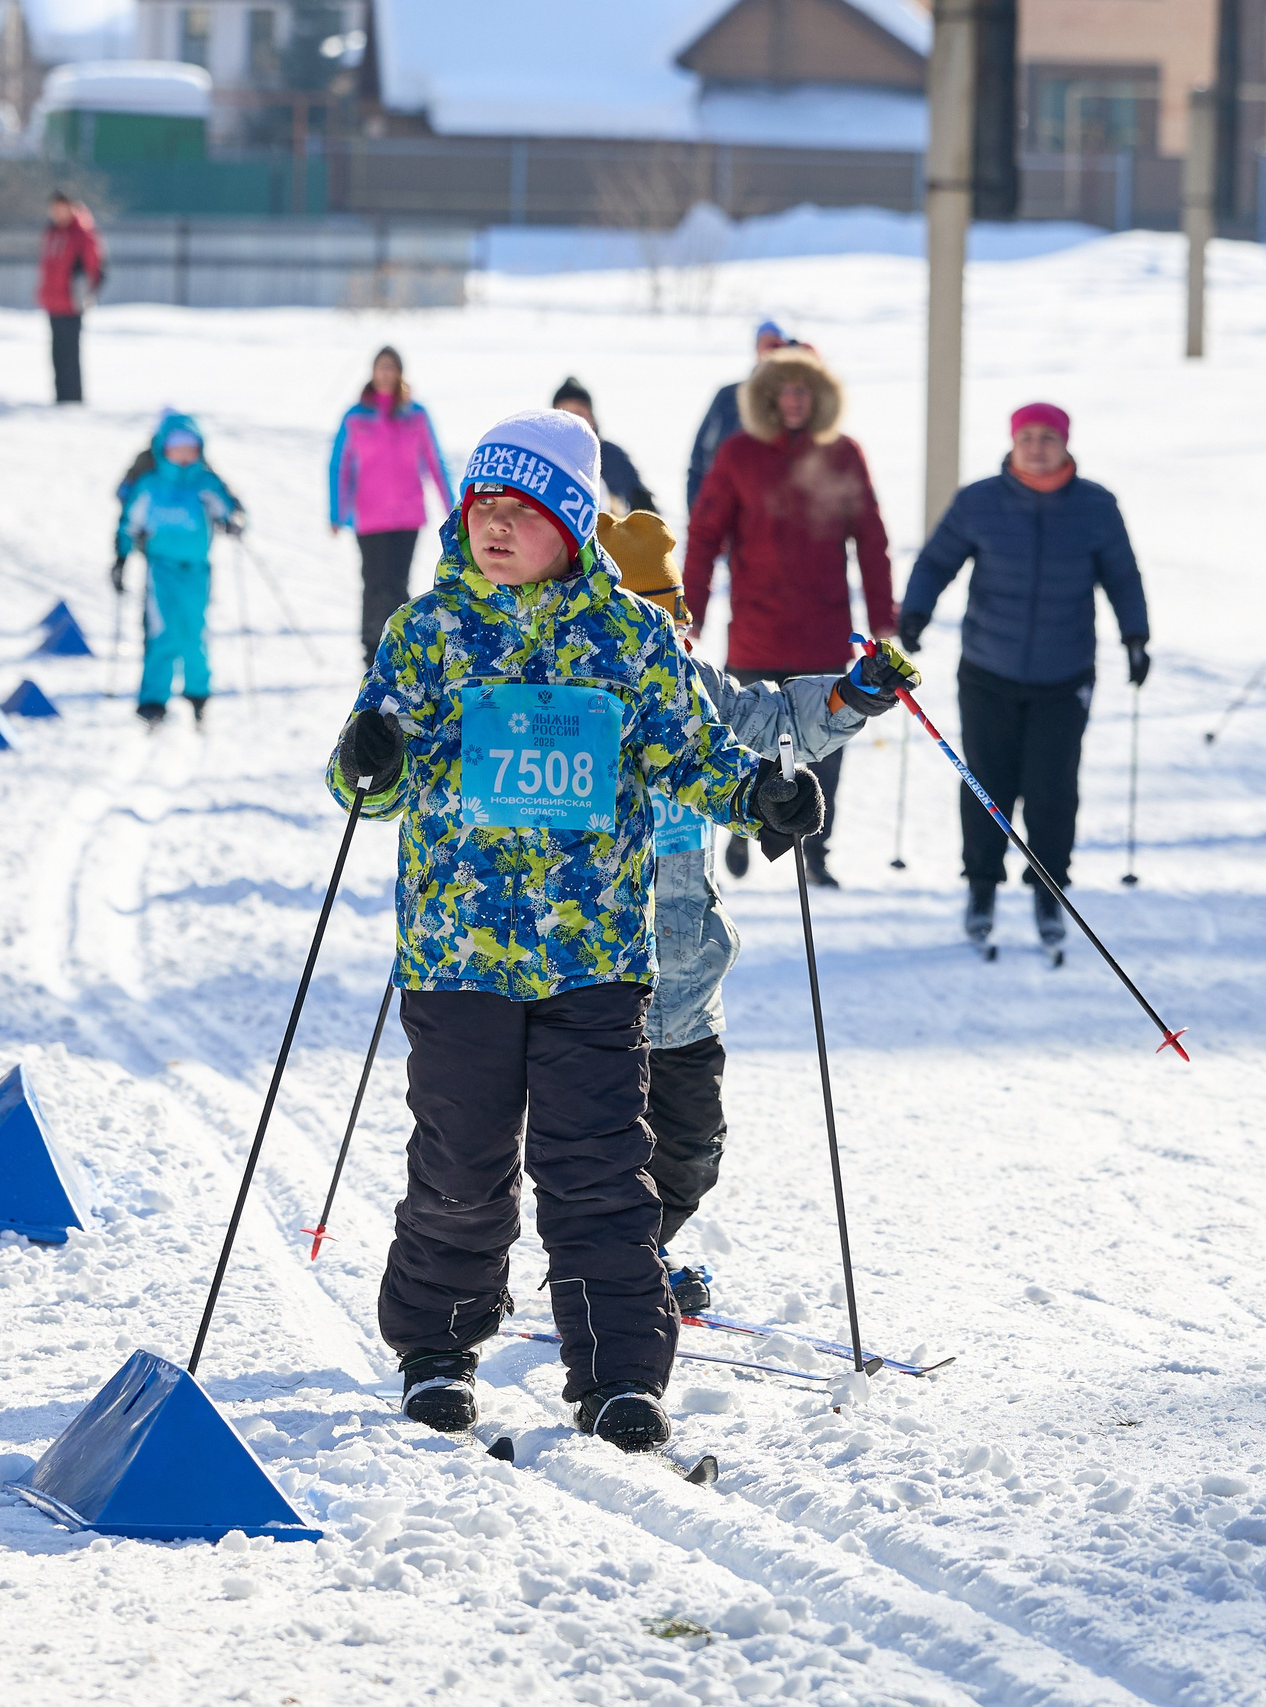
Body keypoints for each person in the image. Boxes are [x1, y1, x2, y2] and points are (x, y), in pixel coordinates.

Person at [326, 409, 823, 1454]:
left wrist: (761, 799)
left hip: (593, 953)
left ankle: (619, 1376)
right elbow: (369, 781)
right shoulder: (426, 632)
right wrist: (366, 755)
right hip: (457, 953)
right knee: (460, 1166)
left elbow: (689, 760)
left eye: (519, 509)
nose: (494, 527)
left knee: (598, 1166)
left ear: (569, 519)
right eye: (480, 508)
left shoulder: (632, 638)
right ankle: (437, 1350)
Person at [598, 510, 916, 1312]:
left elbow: (776, 725)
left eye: (675, 616)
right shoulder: (576, 704)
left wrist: (850, 695)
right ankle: (614, 1271)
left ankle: (642, 1246)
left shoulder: (700, 694)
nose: (668, 633)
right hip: (589, 975)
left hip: (685, 982)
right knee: (597, 1150)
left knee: (691, 1153)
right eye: (645, 616)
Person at [901, 402, 1149, 959]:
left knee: (1052, 790)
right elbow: (938, 560)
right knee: (986, 783)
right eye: (1027, 437)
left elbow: (1122, 574)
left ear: (1065, 443)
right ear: (1013, 442)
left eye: (1047, 437)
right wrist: (915, 612)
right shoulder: (980, 500)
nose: (1037, 446)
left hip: (1065, 675)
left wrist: (1136, 635)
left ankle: (1048, 891)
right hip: (989, 667)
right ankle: (982, 888)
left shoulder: (1095, 505)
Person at [683, 342, 895, 889]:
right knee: (745, 732)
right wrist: (691, 612)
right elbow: (705, 535)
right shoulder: (738, 455)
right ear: (767, 398)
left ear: (819, 397)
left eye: (805, 390)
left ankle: (817, 849)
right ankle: (741, 826)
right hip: (757, 630)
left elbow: (871, 538)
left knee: (829, 739)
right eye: (784, 391)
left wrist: (883, 618)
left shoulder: (844, 453)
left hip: (824, 627)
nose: (794, 401)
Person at [112, 410, 243, 727]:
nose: (184, 454)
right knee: (162, 633)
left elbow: (230, 509)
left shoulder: (205, 482)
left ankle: (198, 692)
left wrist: (233, 522)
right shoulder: (150, 485)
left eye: (190, 447)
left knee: (194, 631)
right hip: (161, 571)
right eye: (177, 447)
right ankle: (153, 700)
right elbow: (129, 524)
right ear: (163, 449)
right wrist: (121, 558)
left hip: (197, 571)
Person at [329, 346, 454, 659]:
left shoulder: (416, 414)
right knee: (374, 581)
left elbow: (434, 460)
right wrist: (336, 510)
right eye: (380, 367)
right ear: (372, 373)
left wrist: (452, 505)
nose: (385, 373)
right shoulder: (356, 416)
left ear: (399, 372)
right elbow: (339, 466)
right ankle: (371, 647)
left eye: (391, 367)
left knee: (398, 583)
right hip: (369, 515)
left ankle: (399, 643)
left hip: (406, 515)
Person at [684, 320, 787, 515]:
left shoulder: (796, 405)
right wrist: (698, 511)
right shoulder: (729, 396)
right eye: (764, 345)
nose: (770, 352)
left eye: (777, 345)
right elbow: (699, 458)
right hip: (727, 512)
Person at [551, 378, 656, 515]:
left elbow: (642, 503)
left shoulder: (613, 456)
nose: (573, 420)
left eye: (579, 413)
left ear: (591, 416)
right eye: (565, 414)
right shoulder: (545, 457)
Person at [38, 193, 105, 405]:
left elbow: (94, 266)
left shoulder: (81, 233)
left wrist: (85, 292)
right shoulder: (52, 232)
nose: (56, 212)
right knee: (57, 352)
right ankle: (60, 397)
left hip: (72, 302)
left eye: (59, 208)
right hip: (53, 301)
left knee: (70, 353)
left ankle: (73, 399)